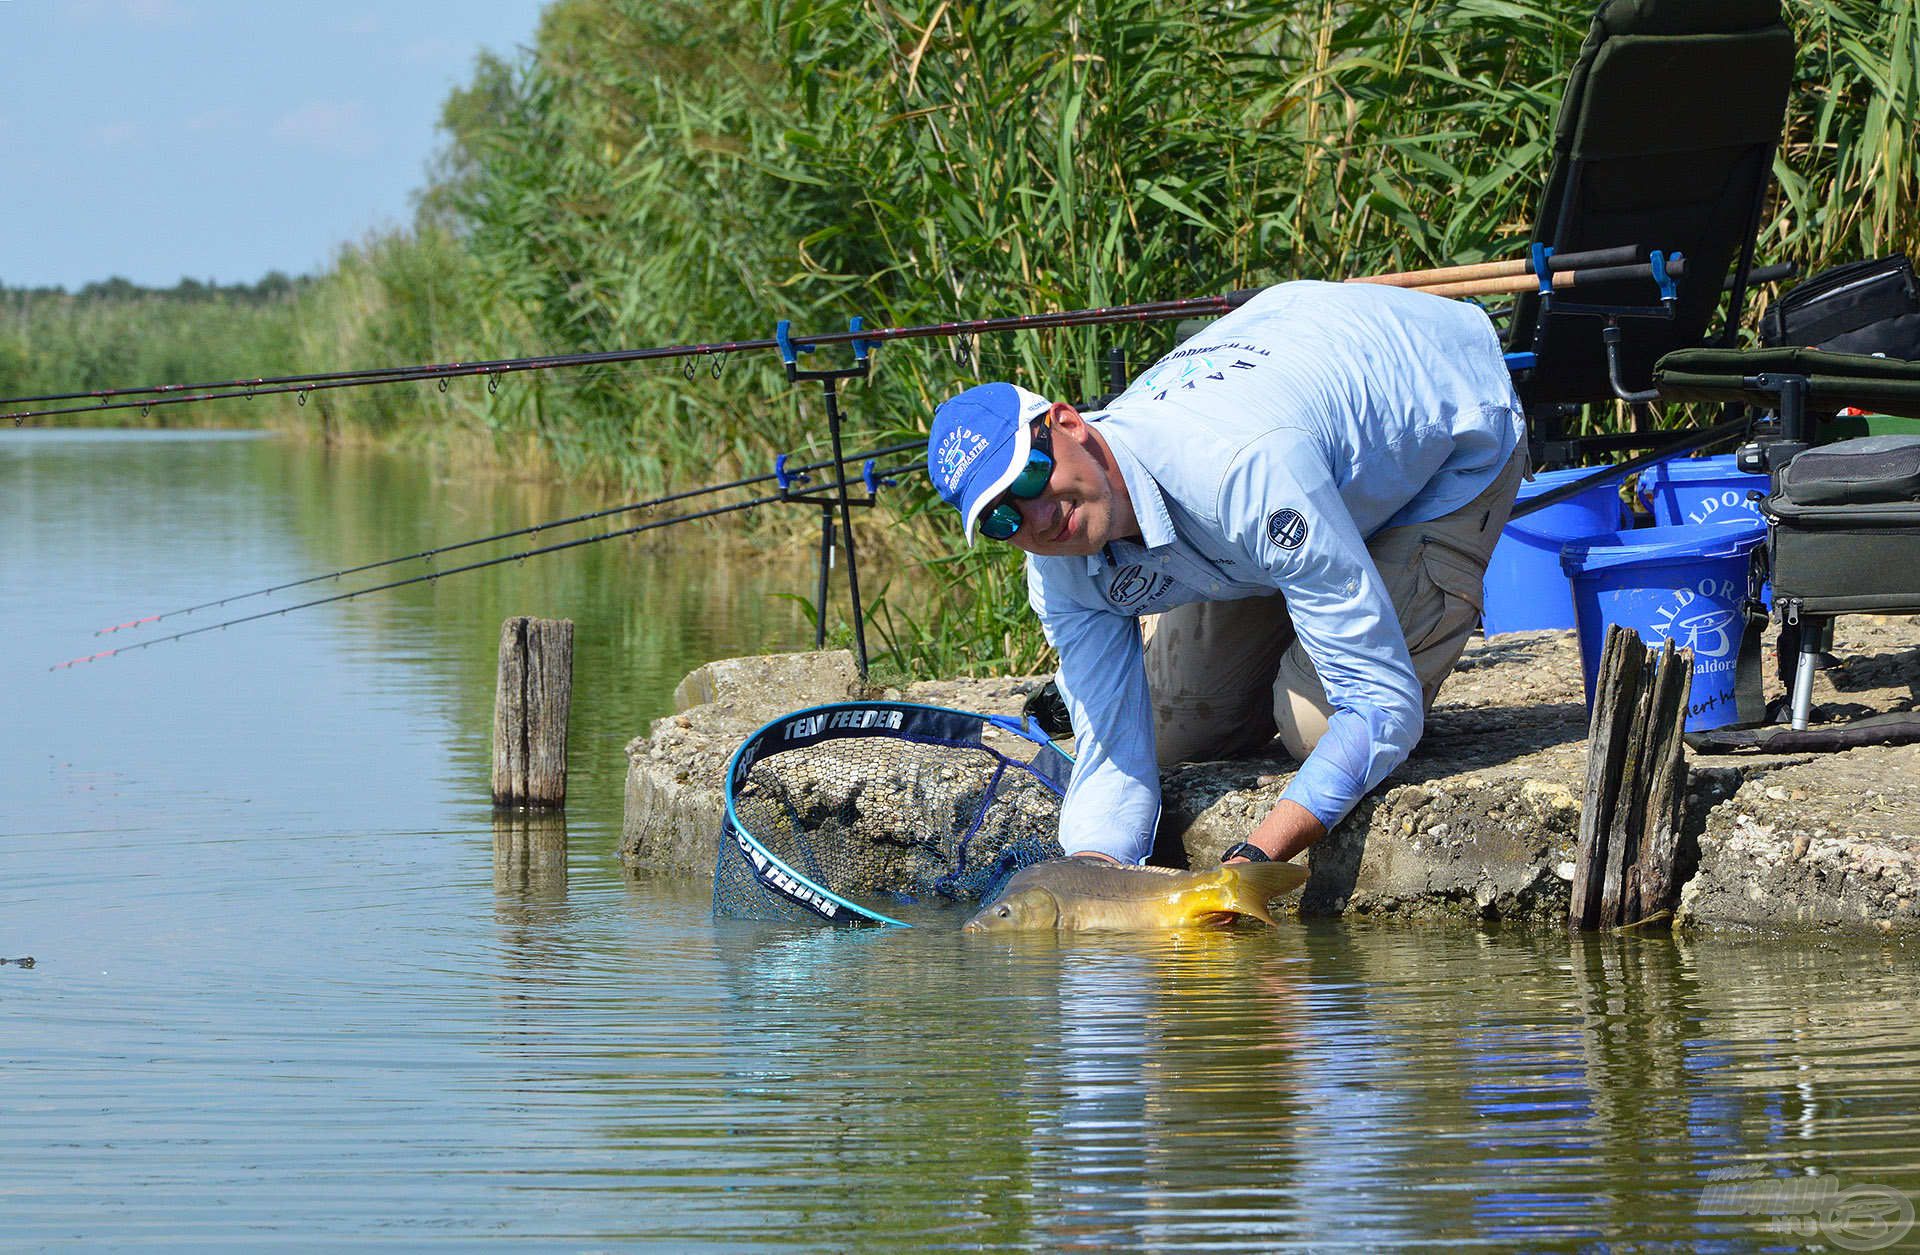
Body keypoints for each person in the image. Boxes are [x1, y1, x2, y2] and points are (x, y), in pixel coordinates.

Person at [926, 280, 1527, 867]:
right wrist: (1092, 882)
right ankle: (1307, 586)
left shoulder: (1243, 471)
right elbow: (1113, 760)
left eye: (1029, 477)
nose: (1038, 516)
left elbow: (1378, 706)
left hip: (1445, 421)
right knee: (1172, 733)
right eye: (1003, 517)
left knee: (1316, 725)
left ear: (1068, 424)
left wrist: (1255, 860)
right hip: (1285, 453)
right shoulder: (1059, 568)